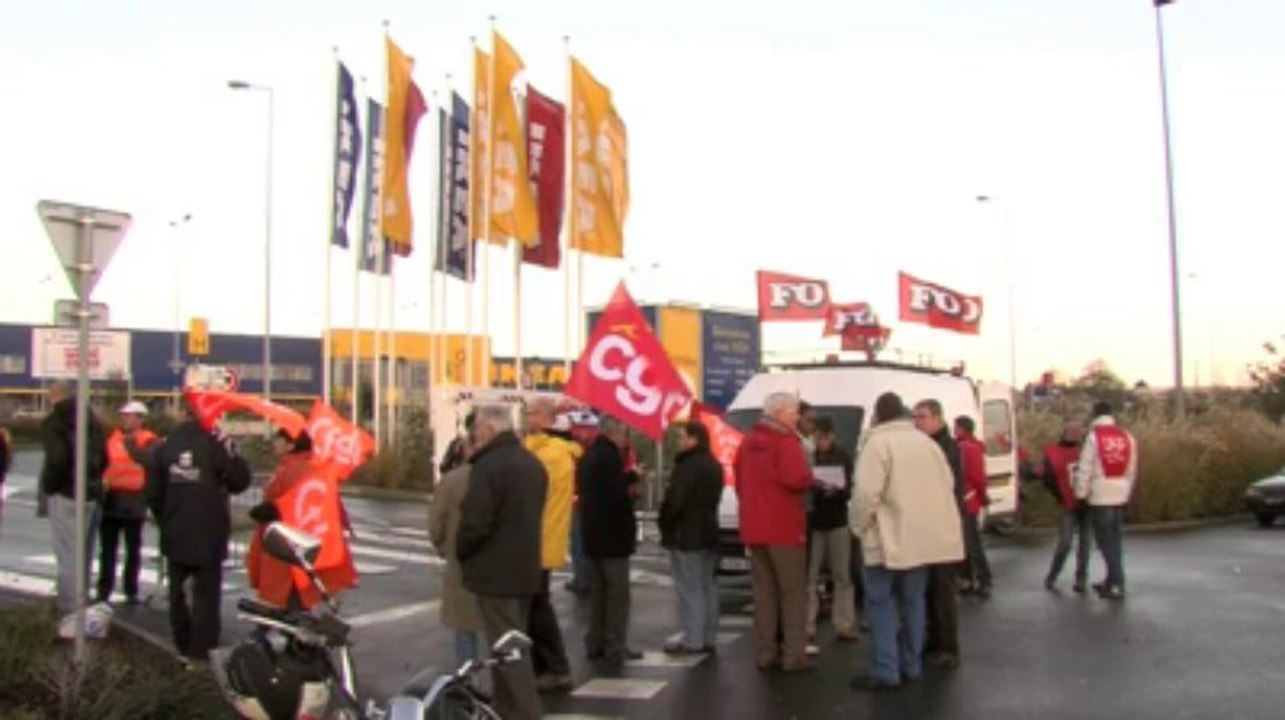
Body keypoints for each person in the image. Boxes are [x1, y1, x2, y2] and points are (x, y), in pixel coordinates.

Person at [850, 393, 964, 691]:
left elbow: (866, 494)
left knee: (880, 603)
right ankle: (911, 664)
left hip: (886, 538)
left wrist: (858, 526)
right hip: (922, 541)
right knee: (914, 602)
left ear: (878, 416)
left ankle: (886, 668)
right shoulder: (928, 444)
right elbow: (948, 486)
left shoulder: (877, 444)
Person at [457, 405, 547, 720]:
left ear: (490, 429)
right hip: (525, 567)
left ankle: (524, 712)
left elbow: (475, 522)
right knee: (509, 645)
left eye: (477, 429)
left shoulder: (488, 466)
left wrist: (463, 550)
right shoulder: (532, 464)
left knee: (509, 652)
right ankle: (505, 710)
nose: (474, 435)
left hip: (495, 570)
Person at [146, 400, 251, 664]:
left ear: (181, 413)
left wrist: (165, 518)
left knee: (177, 592)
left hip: (175, 530)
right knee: (207, 594)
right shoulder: (215, 444)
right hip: (209, 530)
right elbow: (239, 482)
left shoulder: (164, 447)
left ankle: (182, 643)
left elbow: (153, 494)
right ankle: (202, 649)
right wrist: (232, 453)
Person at [735, 392, 814, 672]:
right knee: (792, 593)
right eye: (794, 412)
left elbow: (739, 477)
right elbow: (795, 478)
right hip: (783, 526)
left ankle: (765, 652)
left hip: (754, 525)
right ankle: (794, 654)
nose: (797, 417)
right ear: (780, 412)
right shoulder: (785, 441)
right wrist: (811, 478)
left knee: (764, 592)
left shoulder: (748, 441)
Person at [246, 430, 357, 610]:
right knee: (295, 590)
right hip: (293, 540)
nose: (274, 443)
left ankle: (285, 619)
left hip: (286, 541)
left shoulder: (294, 469)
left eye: (279, 439)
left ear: (291, 445)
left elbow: (295, 502)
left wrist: (271, 511)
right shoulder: (303, 466)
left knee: (287, 592)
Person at [522, 399, 581, 692]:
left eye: (530, 413)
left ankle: (555, 668)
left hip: (540, 538)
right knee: (534, 605)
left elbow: (532, 494)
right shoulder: (543, 449)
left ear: (544, 418)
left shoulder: (551, 454)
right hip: (538, 537)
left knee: (537, 607)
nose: (526, 418)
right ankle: (545, 668)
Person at [577, 415, 642, 666]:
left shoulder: (588, 456)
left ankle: (595, 642)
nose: (626, 439)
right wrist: (632, 478)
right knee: (617, 595)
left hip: (592, 533)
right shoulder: (609, 458)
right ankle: (615, 644)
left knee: (598, 594)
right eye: (625, 434)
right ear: (615, 434)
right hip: (613, 536)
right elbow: (615, 496)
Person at [40, 380, 109, 616]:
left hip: (67, 492)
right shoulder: (92, 420)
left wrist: (50, 486)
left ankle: (69, 610)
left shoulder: (55, 422)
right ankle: (82, 602)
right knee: (84, 554)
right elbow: (105, 457)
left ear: (53, 396)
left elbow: (57, 459)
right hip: (93, 493)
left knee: (68, 554)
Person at [658, 420, 724, 656]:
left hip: (686, 534)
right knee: (707, 587)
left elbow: (676, 500)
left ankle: (693, 639)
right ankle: (708, 637)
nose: (679, 441)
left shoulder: (687, 466)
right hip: (708, 531)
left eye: (682, 437)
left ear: (693, 438)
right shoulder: (714, 464)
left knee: (690, 589)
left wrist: (664, 520)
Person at [912, 398, 965, 670]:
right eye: (915, 417)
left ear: (937, 418)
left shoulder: (945, 448)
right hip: (931, 526)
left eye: (922, 417)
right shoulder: (929, 445)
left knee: (942, 589)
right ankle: (934, 640)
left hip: (943, 527)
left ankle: (947, 646)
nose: (917, 422)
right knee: (930, 588)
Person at [429, 413, 484, 664]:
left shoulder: (454, 480)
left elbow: (436, 525)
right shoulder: (512, 474)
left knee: (465, 627)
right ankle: (507, 678)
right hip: (502, 566)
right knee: (502, 629)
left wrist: (445, 549)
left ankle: (469, 675)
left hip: (462, 561)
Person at [1074, 401, 1138, 600]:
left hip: (1100, 495)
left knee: (1104, 542)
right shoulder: (1127, 436)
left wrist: (1081, 494)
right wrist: (1127, 493)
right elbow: (1131, 468)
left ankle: (1117, 583)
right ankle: (1111, 580)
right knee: (1115, 540)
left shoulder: (1093, 437)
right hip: (1120, 494)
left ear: (1095, 415)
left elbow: (1085, 468)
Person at [96, 401, 159, 604]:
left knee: (133, 550)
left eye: (131, 416)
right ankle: (103, 591)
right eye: (124, 415)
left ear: (141, 419)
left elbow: (153, 467)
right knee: (108, 550)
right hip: (111, 498)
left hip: (135, 500)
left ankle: (131, 590)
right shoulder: (112, 438)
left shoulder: (149, 440)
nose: (126, 419)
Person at [805, 416, 859, 651]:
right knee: (810, 576)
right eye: (819, 438)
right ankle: (807, 626)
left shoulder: (843, 456)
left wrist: (838, 490)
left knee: (842, 575)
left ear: (832, 436)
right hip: (815, 521)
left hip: (837, 519)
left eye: (826, 438)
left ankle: (844, 623)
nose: (822, 442)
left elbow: (851, 487)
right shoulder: (810, 456)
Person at [1041, 421, 1091, 591]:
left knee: (1085, 544)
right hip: (1068, 503)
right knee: (1065, 542)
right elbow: (1048, 479)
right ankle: (1053, 575)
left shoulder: (1086, 450)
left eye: (1078, 432)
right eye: (1072, 432)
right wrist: (1060, 496)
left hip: (1087, 503)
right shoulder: (1053, 452)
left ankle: (1081, 578)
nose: (1076, 435)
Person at [954, 416, 993, 597]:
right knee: (967, 543)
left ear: (962, 429)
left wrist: (983, 497)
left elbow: (978, 478)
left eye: (956, 427)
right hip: (966, 500)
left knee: (972, 543)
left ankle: (982, 579)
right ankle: (969, 579)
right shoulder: (968, 447)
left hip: (967, 501)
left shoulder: (968, 449)